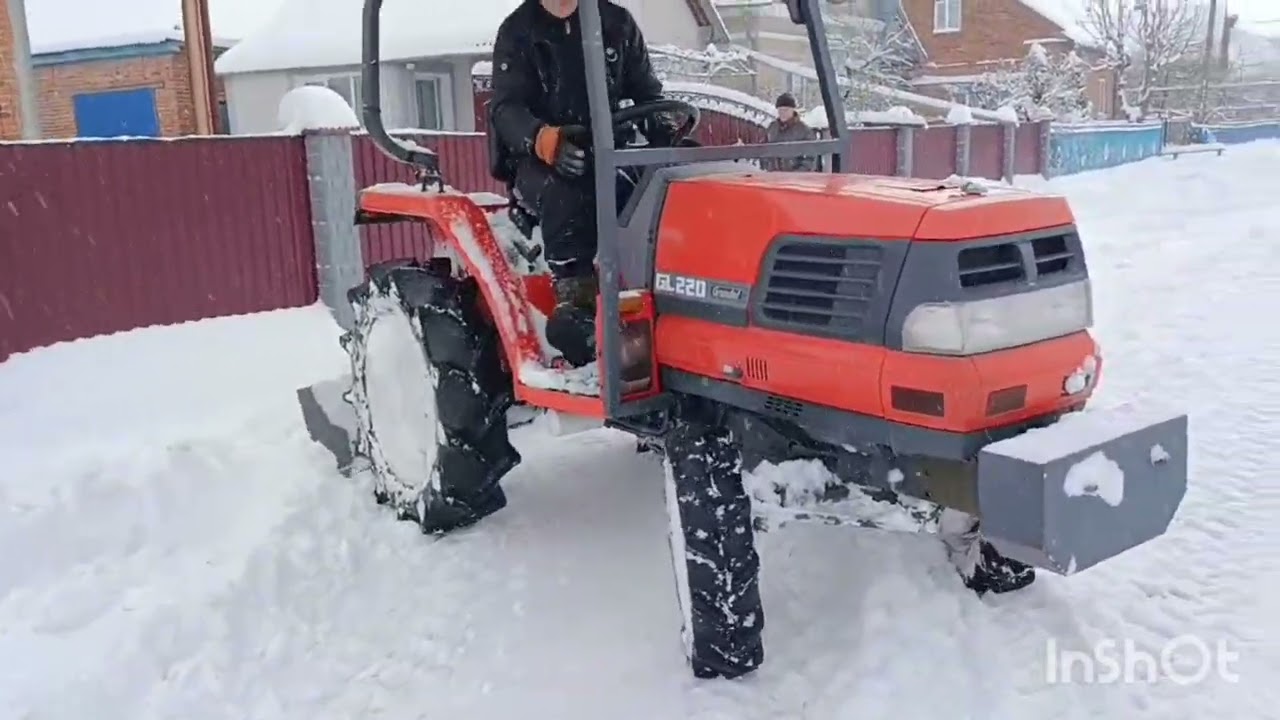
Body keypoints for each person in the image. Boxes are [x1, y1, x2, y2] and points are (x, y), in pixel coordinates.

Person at [488, 0, 678, 367]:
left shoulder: (615, 23)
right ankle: (576, 299)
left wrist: (665, 125)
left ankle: (668, 293)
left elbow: (648, 92)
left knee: (665, 184)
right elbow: (505, 108)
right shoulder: (519, 31)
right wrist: (541, 138)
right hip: (543, 159)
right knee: (571, 186)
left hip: (612, 150)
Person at [762, 93, 819, 172]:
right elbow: (763, 148)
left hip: (795, 179)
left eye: (786, 110)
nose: (782, 113)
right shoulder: (772, 128)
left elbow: (810, 158)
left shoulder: (804, 130)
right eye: (780, 110)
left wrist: (798, 174)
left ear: (792, 110)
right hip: (773, 177)